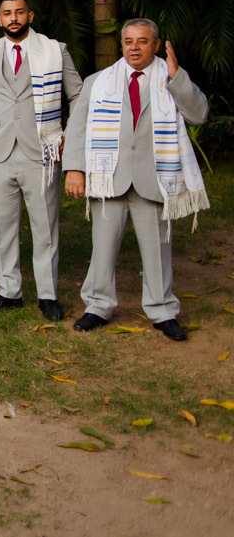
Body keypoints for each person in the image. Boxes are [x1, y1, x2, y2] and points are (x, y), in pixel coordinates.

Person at [64, 20, 209, 341]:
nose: (134, 47)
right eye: (128, 41)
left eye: (142, 41)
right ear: (121, 44)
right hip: (109, 178)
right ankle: (98, 306)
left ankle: (162, 310)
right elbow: (78, 127)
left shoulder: (170, 78)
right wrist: (74, 168)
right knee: (102, 247)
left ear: (155, 45)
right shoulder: (99, 81)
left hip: (153, 178)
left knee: (158, 249)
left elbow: (199, 114)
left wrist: (177, 78)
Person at [0, 0, 82, 320]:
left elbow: (78, 95)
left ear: (30, 15)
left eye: (19, 12)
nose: (14, 18)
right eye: (7, 13)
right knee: (3, 228)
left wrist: (66, 138)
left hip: (40, 152)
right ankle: (9, 291)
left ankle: (47, 295)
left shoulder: (53, 51)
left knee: (45, 227)